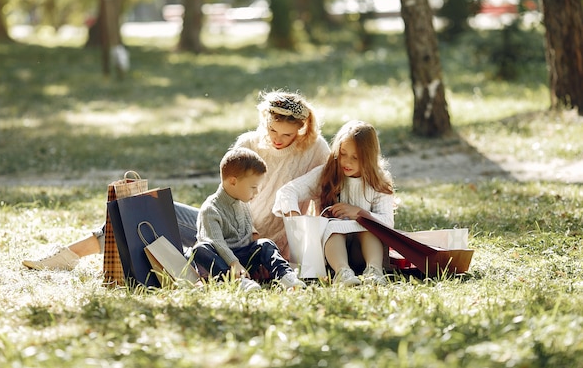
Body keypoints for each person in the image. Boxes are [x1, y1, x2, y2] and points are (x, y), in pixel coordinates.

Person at [22, 89, 330, 270]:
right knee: (140, 210)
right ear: (265, 121)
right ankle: (67, 256)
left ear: (302, 128)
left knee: (175, 251)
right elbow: (225, 194)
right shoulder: (248, 143)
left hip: (263, 244)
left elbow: (323, 196)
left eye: (287, 134)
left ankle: (180, 263)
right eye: (273, 131)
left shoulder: (315, 149)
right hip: (223, 228)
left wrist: (308, 251)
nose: (277, 139)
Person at [272, 120, 395, 287]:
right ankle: (342, 272)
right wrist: (295, 218)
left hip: (364, 251)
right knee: (334, 228)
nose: (346, 162)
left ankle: (374, 271)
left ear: (369, 157)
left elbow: (387, 222)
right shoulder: (327, 173)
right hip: (332, 253)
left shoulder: (378, 181)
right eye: (343, 154)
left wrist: (359, 213)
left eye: (355, 157)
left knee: (370, 228)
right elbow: (288, 191)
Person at [192, 147, 305, 291]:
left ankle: (286, 276)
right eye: (253, 187)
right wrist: (233, 263)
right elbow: (216, 242)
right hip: (222, 264)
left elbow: (248, 235)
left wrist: (258, 257)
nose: (257, 192)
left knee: (264, 243)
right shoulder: (210, 209)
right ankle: (236, 282)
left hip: (244, 259)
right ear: (233, 182)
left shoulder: (243, 203)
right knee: (201, 249)